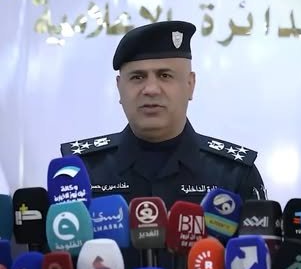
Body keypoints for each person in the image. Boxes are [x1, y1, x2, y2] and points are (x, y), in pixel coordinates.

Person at [60, 21, 267, 205]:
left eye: (165, 76)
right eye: (137, 77)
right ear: (119, 88)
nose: (151, 89)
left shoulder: (234, 175)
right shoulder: (79, 172)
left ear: (190, 84)